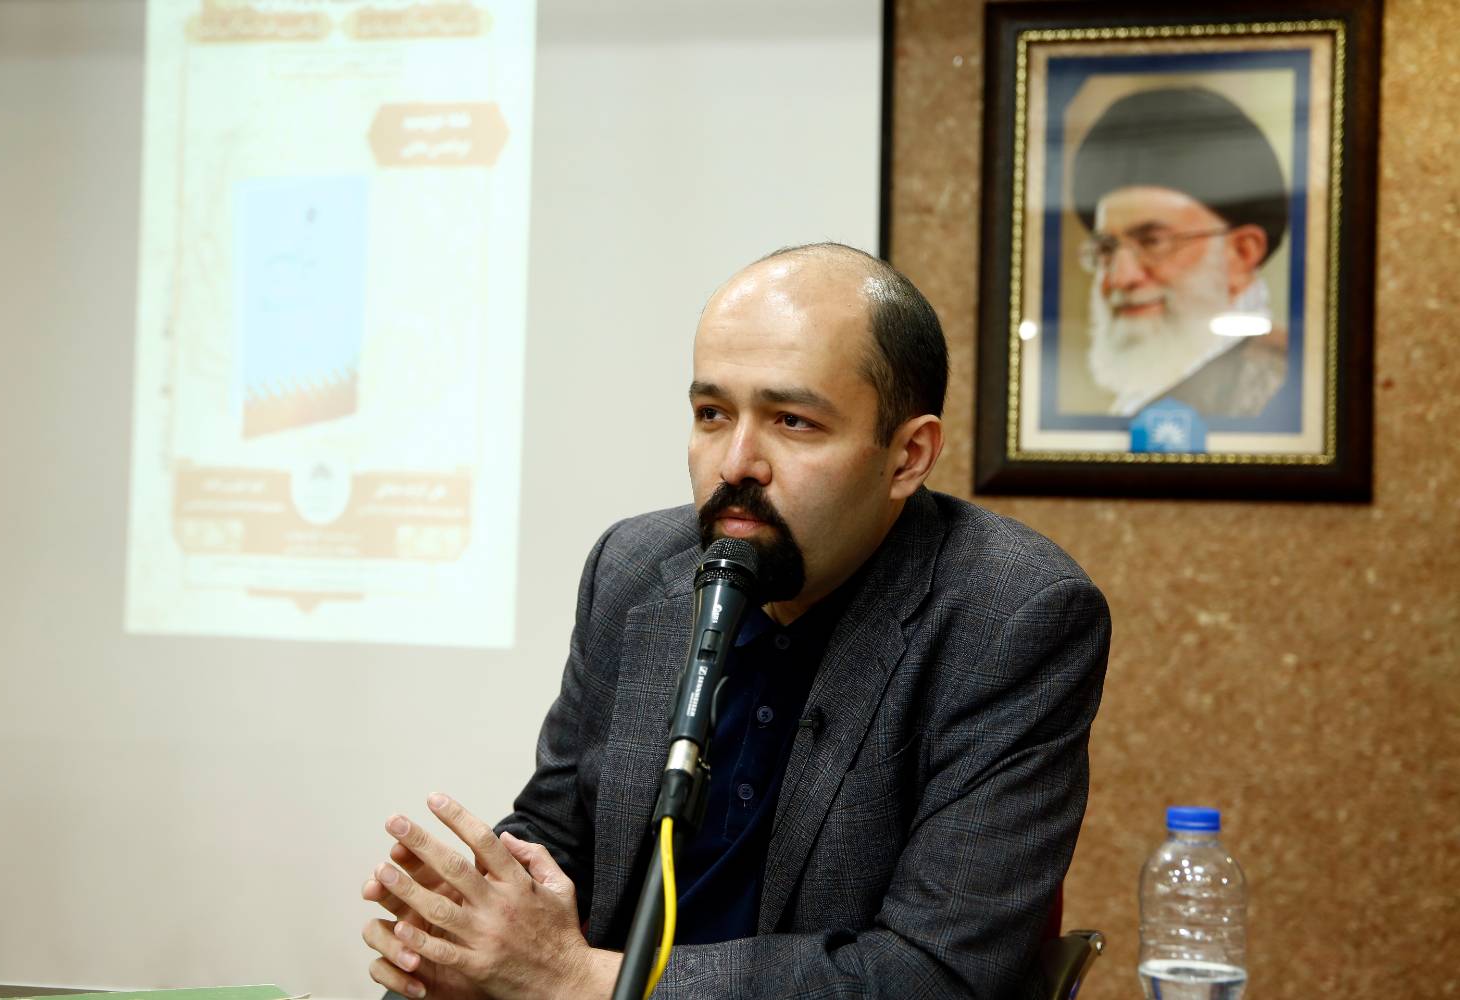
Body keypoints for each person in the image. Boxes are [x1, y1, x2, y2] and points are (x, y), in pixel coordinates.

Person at [359, 243, 1111, 998]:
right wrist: (466, 936)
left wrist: (580, 980)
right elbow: (559, 836)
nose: (736, 463)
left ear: (908, 456)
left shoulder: (1013, 616)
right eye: (712, 414)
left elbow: (937, 974)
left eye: (793, 421)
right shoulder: (633, 568)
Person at [1072, 86, 1291, 418]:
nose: (1120, 277)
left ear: (1241, 253)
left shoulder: (1277, 385)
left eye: (1153, 241)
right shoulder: (1151, 389)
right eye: (1106, 248)